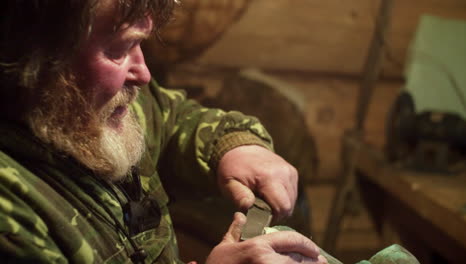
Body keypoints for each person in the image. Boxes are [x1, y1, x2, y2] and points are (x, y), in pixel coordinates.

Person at [0, 0, 327, 263]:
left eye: (140, 44)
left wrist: (234, 146)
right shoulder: (11, 219)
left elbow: (169, 115)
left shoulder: (90, 104)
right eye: (119, 48)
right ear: (31, 55)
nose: (143, 73)